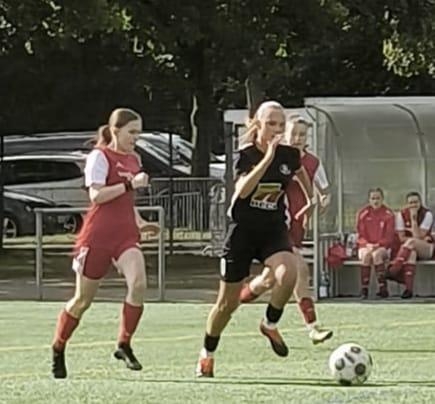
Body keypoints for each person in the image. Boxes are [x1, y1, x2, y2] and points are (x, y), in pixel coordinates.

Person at [195, 101, 311, 377]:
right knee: (227, 305)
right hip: (242, 233)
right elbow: (243, 191)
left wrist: (311, 199)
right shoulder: (245, 155)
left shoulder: (289, 154)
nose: (277, 130)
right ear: (257, 125)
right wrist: (268, 158)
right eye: (271, 123)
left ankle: (269, 324)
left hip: (272, 230)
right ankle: (207, 353)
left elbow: (300, 172)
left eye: (280, 124)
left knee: (289, 272)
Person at [51, 108, 159, 378]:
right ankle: (59, 346)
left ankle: (124, 343)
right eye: (131, 132)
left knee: (138, 284)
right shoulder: (99, 156)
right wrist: (130, 185)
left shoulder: (133, 158)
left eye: (138, 132)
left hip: (125, 236)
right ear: (115, 131)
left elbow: (127, 201)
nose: (136, 137)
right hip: (97, 236)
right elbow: (97, 196)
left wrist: (141, 222)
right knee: (82, 301)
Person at [239, 114, 333, 344]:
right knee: (300, 269)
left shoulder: (312, 162)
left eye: (303, 134)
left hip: (297, 225)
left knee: (269, 279)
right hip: (276, 224)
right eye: (294, 133)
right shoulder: (275, 157)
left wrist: (319, 202)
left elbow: (323, 190)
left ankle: (243, 295)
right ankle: (313, 326)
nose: (298, 138)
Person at [387, 191, 434, 299]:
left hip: (427, 249)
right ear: (407, 204)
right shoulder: (401, 214)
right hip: (408, 249)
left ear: (420, 202)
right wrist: (414, 239)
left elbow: (418, 237)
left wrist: (414, 220)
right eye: (411, 203)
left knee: (412, 242)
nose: (413, 205)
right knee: (411, 253)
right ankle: (408, 290)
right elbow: (401, 238)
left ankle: (394, 270)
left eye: (416, 202)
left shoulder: (427, 214)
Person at [356, 188, 395, 299]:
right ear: (369, 200)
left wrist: (378, 244)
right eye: (373, 198)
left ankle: (383, 288)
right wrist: (367, 244)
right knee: (366, 255)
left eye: (378, 198)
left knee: (377, 255)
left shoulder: (388, 214)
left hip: (383, 247)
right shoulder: (363, 214)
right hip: (366, 246)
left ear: (382, 199)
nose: (375, 201)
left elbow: (389, 236)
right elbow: (360, 235)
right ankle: (364, 289)